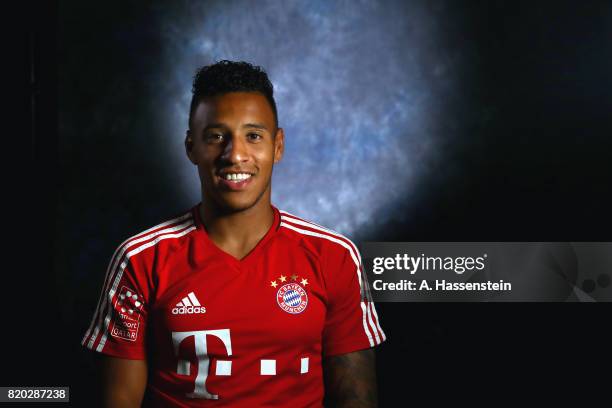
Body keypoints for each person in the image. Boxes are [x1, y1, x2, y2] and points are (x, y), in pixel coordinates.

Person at [82, 60, 386, 407]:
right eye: (215, 137)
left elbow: (356, 398)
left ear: (278, 146)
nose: (235, 154)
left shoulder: (334, 256)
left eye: (253, 136)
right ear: (191, 146)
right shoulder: (140, 260)